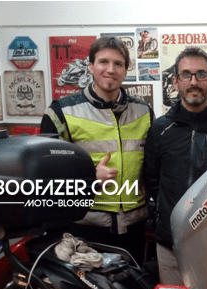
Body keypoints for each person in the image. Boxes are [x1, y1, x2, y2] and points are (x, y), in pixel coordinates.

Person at [41, 36, 154, 262]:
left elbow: (153, 167)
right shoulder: (61, 112)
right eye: (103, 62)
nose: (110, 69)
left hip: (134, 228)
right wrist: (89, 178)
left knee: (131, 284)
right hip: (84, 230)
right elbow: (46, 176)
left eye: (118, 64)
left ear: (125, 70)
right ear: (91, 66)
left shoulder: (144, 112)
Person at [144, 47, 207, 285]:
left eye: (201, 74)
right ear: (176, 81)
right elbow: (152, 180)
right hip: (170, 245)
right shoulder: (160, 129)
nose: (193, 82)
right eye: (186, 75)